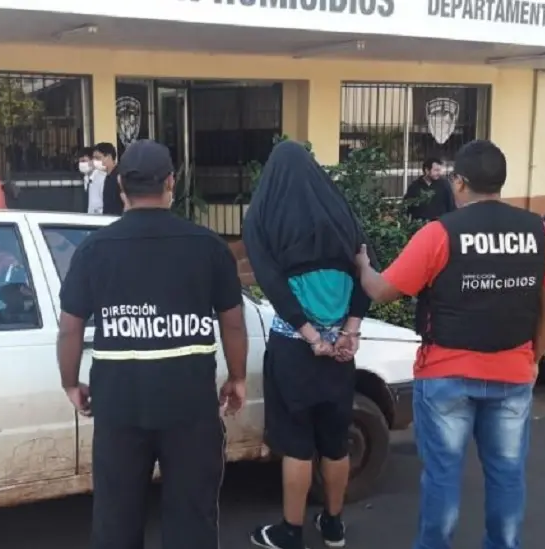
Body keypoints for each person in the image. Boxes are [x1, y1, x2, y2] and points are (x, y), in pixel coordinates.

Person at [355, 140, 545, 549]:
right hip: (513, 372)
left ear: (459, 182)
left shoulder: (440, 233)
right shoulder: (538, 232)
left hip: (446, 374)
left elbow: (382, 291)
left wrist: (363, 266)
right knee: (507, 473)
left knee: (442, 475)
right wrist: (535, 357)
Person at [57, 139, 248, 549]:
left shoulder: (93, 250)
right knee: (192, 521)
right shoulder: (208, 246)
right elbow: (232, 323)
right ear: (171, 183)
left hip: (119, 408)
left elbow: (70, 329)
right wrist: (237, 377)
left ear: (120, 185)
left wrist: (70, 382)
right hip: (191, 408)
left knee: (116, 519)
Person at [243, 141, 378, 549]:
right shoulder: (341, 214)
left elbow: (272, 285)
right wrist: (350, 330)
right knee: (336, 441)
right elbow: (368, 271)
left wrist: (310, 336)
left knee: (297, 445)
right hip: (340, 351)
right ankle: (333, 525)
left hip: (294, 349)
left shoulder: (263, 217)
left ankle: (290, 531)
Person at [403, 157, 456, 222]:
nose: (439, 173)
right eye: (436, 170)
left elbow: (451, 206)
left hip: (439, 224)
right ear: (427, 170)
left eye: (440, 170)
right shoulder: (414, 186)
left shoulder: (444, 185)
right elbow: (407, 206)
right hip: (420, 225)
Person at [93, 142, 125, 215]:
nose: (95, 161)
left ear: (108, 156)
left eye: (98, 158)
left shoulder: (120, 176)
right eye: (94, 158)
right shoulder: (107, 177)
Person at [78, 146, 106, 214]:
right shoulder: (86, 179)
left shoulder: (102, 179)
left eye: (84, 161)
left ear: (92, 161)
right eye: (80, 162)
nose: (81, 164)